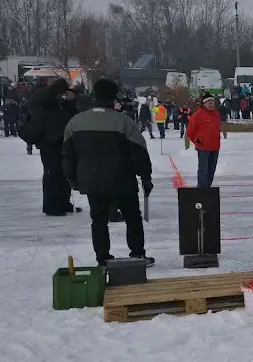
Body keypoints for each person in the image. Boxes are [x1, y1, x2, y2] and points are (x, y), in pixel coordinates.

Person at [62, 78, 154, 266]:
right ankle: (137, 253)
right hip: (122, 180)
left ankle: (103, 257)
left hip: (91, 181)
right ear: (113, 97)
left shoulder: (75, 122)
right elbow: (139, 154)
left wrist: (72, 178)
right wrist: (145, 177)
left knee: (99, 220)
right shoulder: (124, 122)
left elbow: (67, 154)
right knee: (132, 218)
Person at [20, 78, 80, 216]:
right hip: (50, 141)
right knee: (53, 173)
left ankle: (63, 202)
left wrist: (69, 101)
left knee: (62, 172)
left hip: (59, 139)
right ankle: (52, 205)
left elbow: (72, 115)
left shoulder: (56, 100)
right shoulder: (44, 96)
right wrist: (64, 100)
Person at [186, 92, 222, 187]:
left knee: (212, 169)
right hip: (203, 148)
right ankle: (201, 189)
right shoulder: (197, 116)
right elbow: (190, 132)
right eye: (209, 103)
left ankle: (208, 188)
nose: (211, 105)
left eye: (213, 103)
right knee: (203, 169)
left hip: (215, 146)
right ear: (204, 104)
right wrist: (198, 142)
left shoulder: (216, 115)